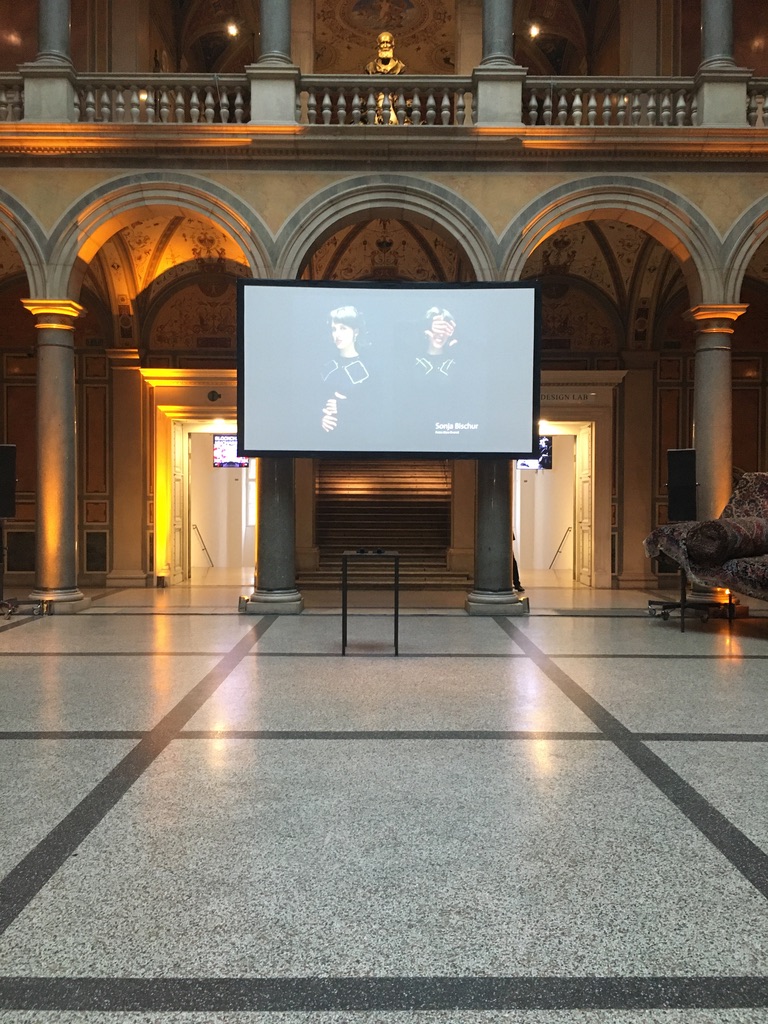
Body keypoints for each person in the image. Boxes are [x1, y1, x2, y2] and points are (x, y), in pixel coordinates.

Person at [319, 306, 372, 438]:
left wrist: (344, 407)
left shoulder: (370, 369)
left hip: (358, 440)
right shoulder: (326, 367)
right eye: (334, 329)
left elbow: (374, 409)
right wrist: (322, 418)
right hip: (324, 441)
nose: (337, 334)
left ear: (356, 331)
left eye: (343, 328)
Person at [364, 31, 405, 124]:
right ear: (378, 46)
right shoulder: (370, 67)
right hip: (377, 101)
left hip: (392, 101)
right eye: (383, 43)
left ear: (393, 45)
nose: (385, 46)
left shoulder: (400, 66)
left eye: (388, 43)